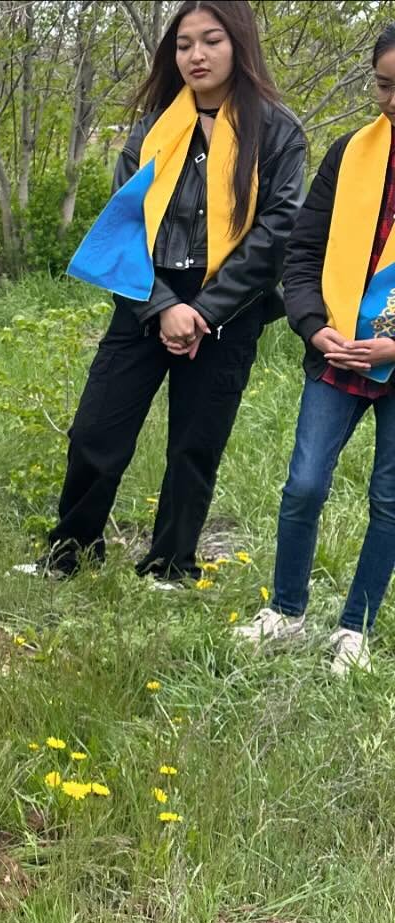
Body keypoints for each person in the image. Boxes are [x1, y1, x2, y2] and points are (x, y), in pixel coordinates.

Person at [21, 0, 305, 584]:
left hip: (228, 305)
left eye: (211, 41)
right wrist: (163, 307)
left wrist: (203, 311)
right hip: (145, 293)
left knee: (194, 446)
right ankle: (71, 551)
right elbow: (121, 226)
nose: (196, 55)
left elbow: (277, 233)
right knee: (96, 431)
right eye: (183, 44)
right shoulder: (154, 127)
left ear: (240, 45)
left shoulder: (278, 131)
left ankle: (170, 565)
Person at [234, 26, 395, 676]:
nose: (393, 101)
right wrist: (311, 325)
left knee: (390, 501)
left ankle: (355, 629)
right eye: (385, 85)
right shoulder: (350, 154)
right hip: (337, 352)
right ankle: (286, 613)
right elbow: (302, 250)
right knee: (303, 485)